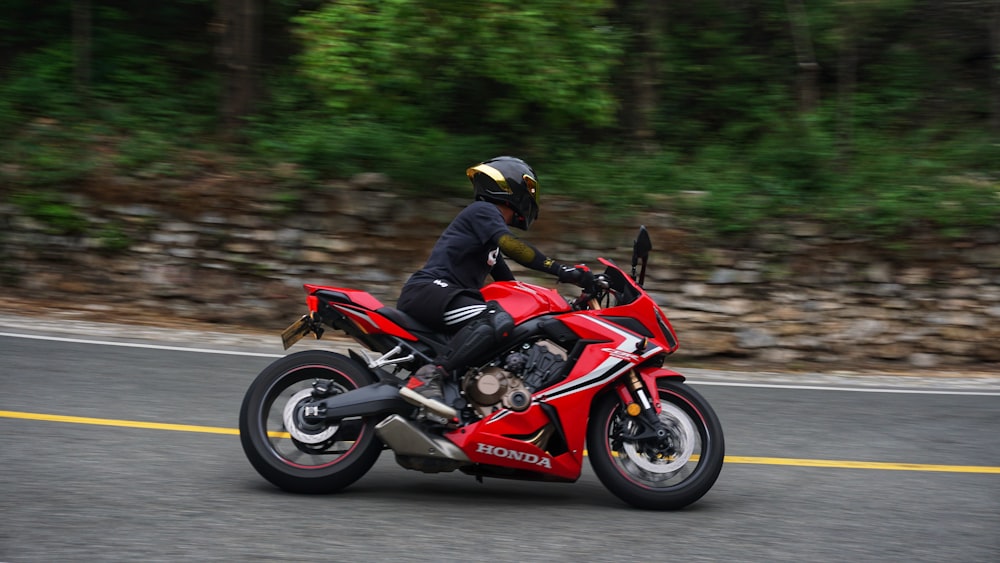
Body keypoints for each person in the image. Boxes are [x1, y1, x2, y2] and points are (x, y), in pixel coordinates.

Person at [396, 156, 594, 419]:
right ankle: (428, 377)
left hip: (442, 296)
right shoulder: (484, 211)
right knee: (495, 319)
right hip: (430, 292)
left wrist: (564, 307)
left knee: (509, 325)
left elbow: (511, 286)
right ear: (512, 189)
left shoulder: (487, 239)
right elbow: (515, 247)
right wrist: (562, 270)